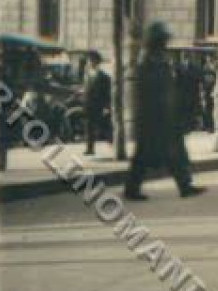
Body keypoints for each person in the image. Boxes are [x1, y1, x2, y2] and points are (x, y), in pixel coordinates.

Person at [124, 24, 203, 200]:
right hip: (153, 120)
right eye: (163, 42)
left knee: (174, 154)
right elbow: (146, 96)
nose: (165, 45)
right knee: (145, 157)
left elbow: (169, 90)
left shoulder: (159, 63)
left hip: (165, 118)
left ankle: (185, 185)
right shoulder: (147, 65)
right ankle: (132, 189)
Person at [82, 51, 112, 155]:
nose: (89, 62)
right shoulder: (87, 74)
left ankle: (112, 142)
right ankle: (90, 148)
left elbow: (107, 93)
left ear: (96, 61)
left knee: (102, 126)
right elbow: (86, 89)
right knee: (88, 127)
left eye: (91, 60)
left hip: (99, 104)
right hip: (88, 104)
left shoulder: (104, 76)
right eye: (88, 60)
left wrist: (107, 106)